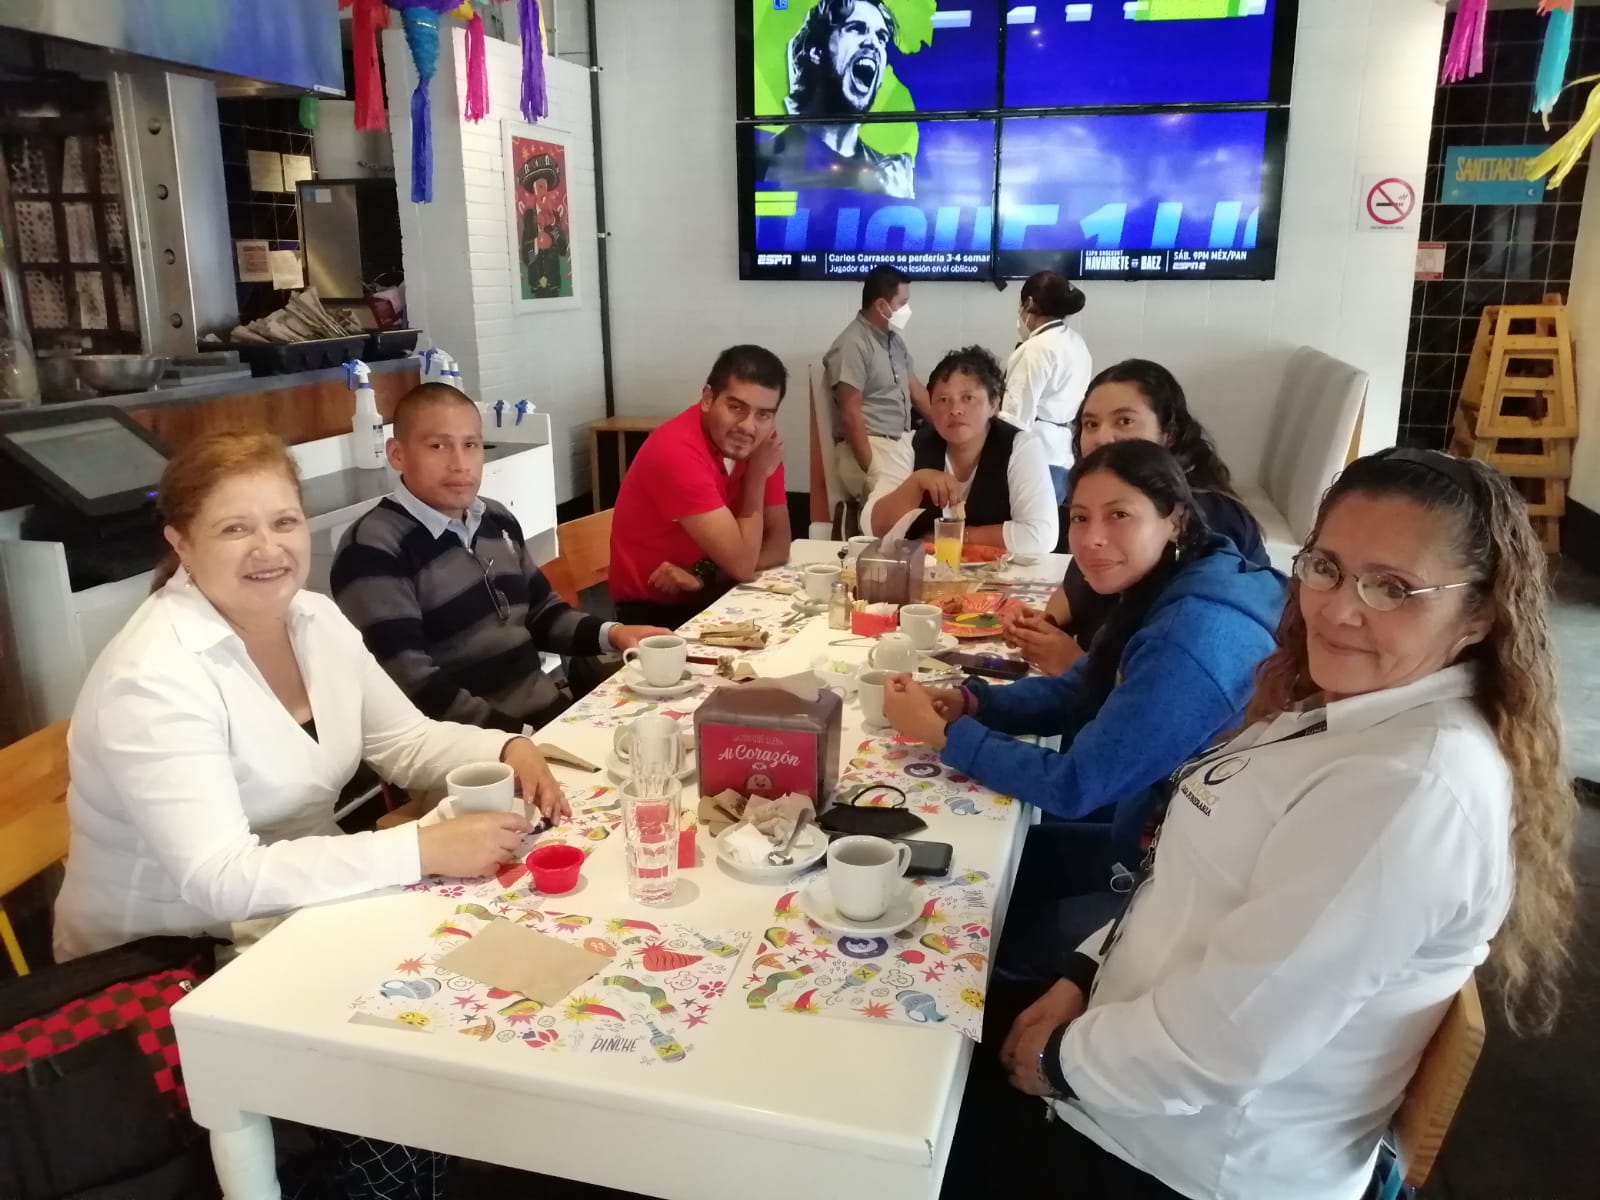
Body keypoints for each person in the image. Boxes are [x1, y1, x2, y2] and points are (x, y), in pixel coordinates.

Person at [944, 448, 1577, 1200]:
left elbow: (1222, 1042)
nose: (1339, 610)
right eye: (1327, 568)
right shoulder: (1349, 711)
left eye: (1393, 588)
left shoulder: (1410, 791)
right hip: (1128, 1065)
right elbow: (1188, 890)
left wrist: (1060, 1062)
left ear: (1479, 614)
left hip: (1178, 1159)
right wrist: (1083, 973)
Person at [55, 429, 567, 961]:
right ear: (181, 543)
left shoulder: (314, 617)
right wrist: (418, 849)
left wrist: (504, 747)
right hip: (175, 958)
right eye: (234, 529)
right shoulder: (153, 678)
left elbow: (405, 741)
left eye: (284, 522)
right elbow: (220, 878)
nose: (267, 548)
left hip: (305, 908)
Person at [883, 440, 1284, 973]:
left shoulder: (1192, 636)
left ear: (1175, 521)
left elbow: (1074, 786)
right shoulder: (1172, 581)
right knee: (971, 866)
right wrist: (969, 703)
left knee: (958, 944)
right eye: (1079, 517)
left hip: (1184, 890)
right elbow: (1082, 687)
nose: (1092, 538)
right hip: (1150, 837)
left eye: (1119, 515)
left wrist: (943, 736)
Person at [332, 383, 667, 736]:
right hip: (474, 749)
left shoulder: (495, 519)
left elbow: (541, 613)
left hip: (546, 718)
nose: (460, 464)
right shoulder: (372, 550)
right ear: (397, 454)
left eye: (471, 445)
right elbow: (412, 685)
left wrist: (614, 634)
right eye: (437, 446)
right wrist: (517, 739)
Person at [1005, 359, 1269, 676]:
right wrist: (1042, 626)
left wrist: (1075, 666)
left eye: (1125, 421)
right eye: (1091, 424)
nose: (1102, 438)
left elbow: (1181, 670)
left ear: (1168, 434)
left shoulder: (1200, 517)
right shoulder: (1108, 496)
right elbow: (1078, 587)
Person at [608, 345, 793, 629]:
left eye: (764, 415)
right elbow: (744, 566)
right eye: (736, 408)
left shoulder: (761, 443)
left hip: (714, 595)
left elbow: (778, 545)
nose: (748, 427)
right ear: (707, 399)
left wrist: (705, 574)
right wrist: (756, 477)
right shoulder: (677, 451)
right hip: (654, 616)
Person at [863, 345, 1058, 556]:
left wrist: (953, 537)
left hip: (1003, 573)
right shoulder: (913, 445)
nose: (955, 410)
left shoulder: (1020, 446)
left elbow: (1041, 535)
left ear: (993, 404)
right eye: (943, 400)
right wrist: (916, 483)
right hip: (925, 572)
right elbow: (871, 526)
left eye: (968, 398)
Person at [755, 0, 914, 198]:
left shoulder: (893, 179)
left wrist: (899, 200)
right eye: (857, 29)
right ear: (816, 51)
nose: (873, 43)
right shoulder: (764, 163)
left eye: (881, 37)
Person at [824, 264, 933, 504]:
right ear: (881, 306)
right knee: (906, 503)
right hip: (868, 447)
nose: (907, 310)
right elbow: (851, 414)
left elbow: (917, 393)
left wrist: (948, 428)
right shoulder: (852, 344)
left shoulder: (895, 342)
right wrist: (873, 469)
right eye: (902, 303)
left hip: (899, 445)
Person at [1002, 271, 1091, 503]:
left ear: (1029, 303)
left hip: (1035, 457)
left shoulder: (1035, 349)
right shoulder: (1076, 342)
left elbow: (1015, 416)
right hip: (1063, 454)